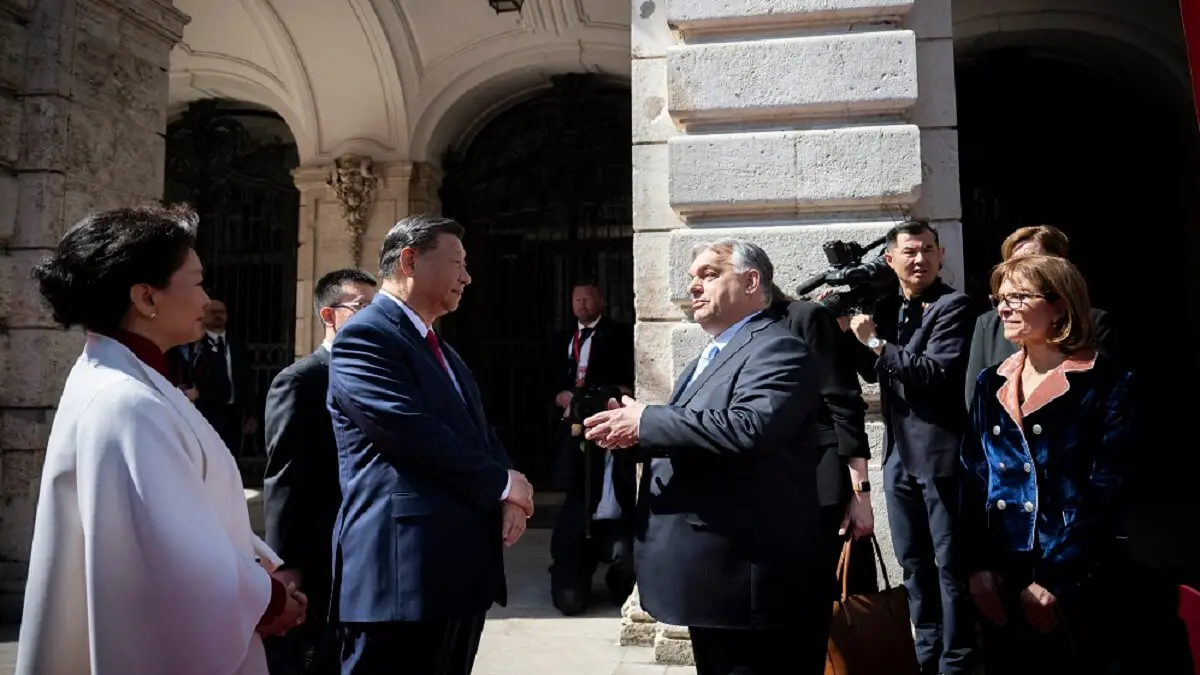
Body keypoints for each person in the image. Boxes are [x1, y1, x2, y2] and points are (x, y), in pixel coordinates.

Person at [16, 204, 306, 675]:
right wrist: (272, 602)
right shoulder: (125, 401)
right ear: (146, 298)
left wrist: (261, 565)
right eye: (197, 282)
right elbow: (176, 552)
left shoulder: (132, 379)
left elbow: (190, 510)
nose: (207, 298)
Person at [584, 239, 831, 675]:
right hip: (715, 579)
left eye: (709, 275)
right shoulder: (713, 354)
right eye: (691, 278)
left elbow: (749, 428)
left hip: (747, 580)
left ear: (752, 281)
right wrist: (633, 435)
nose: (694, 287)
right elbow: (698, 432)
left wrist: (647, 421)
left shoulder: (776, 347)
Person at [960, 254, 1192, 674]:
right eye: (1000, 297)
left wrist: (1056, 577)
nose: (1003, 308)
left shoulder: (1108, 384)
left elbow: (1110, 488)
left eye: (1018, 297)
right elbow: (974, 477)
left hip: (1083, 581)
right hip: (1004, 578)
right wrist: (977, 567)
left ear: (1060, 304)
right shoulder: (989, 381)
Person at [327, 214, 535, 675]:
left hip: (453, 577)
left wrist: (511, 488)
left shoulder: (442, 348)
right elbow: (408, 430)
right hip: (401, 579)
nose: (467, 276)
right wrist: (501, 483)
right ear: (410, 261)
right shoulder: (365, 336)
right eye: (457, 262)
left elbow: (478, 431)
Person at [847, 220, 976, 675]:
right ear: (891, 259)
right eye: (910, 251)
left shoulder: (953, 306)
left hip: (938, 454)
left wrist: (877, 344)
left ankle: (956, 661)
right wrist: (849, 331)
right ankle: (925, 656)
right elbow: (870, 371)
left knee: (949, 566)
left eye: (927, 250)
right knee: (913, 563)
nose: (919, 259)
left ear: (941, 255)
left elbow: (935, 373)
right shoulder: (888, 308)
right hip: (897, 455)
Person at [263, 269, 377, 674]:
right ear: (329, 315)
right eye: (361, 307)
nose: (373, 316)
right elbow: (285, 478)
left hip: (367, 547)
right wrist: (286, 563)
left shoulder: (376, 377)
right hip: (320, 549)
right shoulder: (300, 381)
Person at [768, 291, 876, 596]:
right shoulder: (736, 330)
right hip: (769, 489)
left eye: (713, 275)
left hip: (819, 484)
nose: (698, 287)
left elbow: (843, 402)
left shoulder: (805, 317)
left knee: (836, 594)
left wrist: (861, 495)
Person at [549, 281, 637, 616]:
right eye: (576, 299)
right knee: (569, 601)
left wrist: (616, 401)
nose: (582, 304)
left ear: (601, 300)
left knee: (630, 567)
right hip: (581, 518)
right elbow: (560, 477)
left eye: (588, 298)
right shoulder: (563, 337)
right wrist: (572, 410)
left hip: (618, 523)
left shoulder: (619, 334)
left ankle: (619, 578)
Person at [964, 225, 1119, 405]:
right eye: (1013, 262)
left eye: (1031, 260)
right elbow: (975, 401)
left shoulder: (1093, 323)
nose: (1004, 309)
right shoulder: (988, 326)